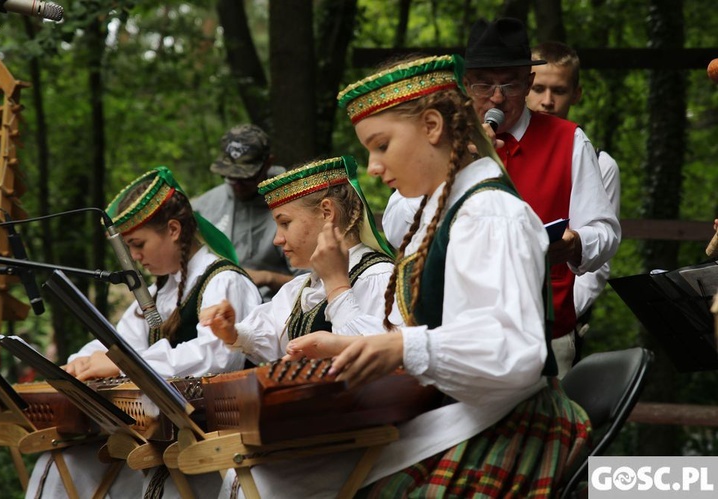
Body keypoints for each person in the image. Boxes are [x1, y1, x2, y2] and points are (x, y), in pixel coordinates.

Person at [216, 54, 590, 498]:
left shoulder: (490, 214)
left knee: (280, 483)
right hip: (460, 412)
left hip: (505, 424)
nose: (372, 167)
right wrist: (355, 345)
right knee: (268, 477)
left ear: (432, 126)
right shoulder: (447, 211)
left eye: (381, 145)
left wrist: (398, 346)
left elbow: (515, 351)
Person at [385, 18, 621, 376]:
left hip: (544, 335)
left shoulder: (568, 140)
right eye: (483, 84)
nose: (496, 97)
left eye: (509, 84)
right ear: (466, 84)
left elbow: (605, 231)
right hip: (449, 334)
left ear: (527, 83)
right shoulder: (438, 136)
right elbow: (395, 228)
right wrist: (453, 166)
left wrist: (576, 245)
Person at [27, 166, 262, 499]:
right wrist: (81, 363)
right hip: (165, 439)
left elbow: (219, 359)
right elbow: (116, 341)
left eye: (138, 244)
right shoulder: (157, 293)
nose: (134, 257)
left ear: (174, 229)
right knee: (60, 462)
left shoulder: (224, 281)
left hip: (219, 444)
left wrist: (123, 364)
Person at [200, 155, 396, 365]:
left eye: (285, 223)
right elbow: (272, 335)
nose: (277, 239)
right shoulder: (300, 289)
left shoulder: (380, 277)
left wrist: (337, 288)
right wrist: (231, 332)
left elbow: (385, 356)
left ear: (327, 212)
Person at [527, 40, 622, 374]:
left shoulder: (598, 162)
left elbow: (597, 263)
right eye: (538, 88)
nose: (547, 101)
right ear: (524, 85)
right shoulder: (494, 144)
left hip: (556, 322)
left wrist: (558, 312)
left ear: (576, 94)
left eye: (559, 90)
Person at [191, 124, 297, 301]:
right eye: (231, 176)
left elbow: (315, 284)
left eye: (246, 177)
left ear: (268, 163)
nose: (237, 184)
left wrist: (268, 278)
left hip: (275, 312)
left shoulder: (292, 205)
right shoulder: (205, 206)